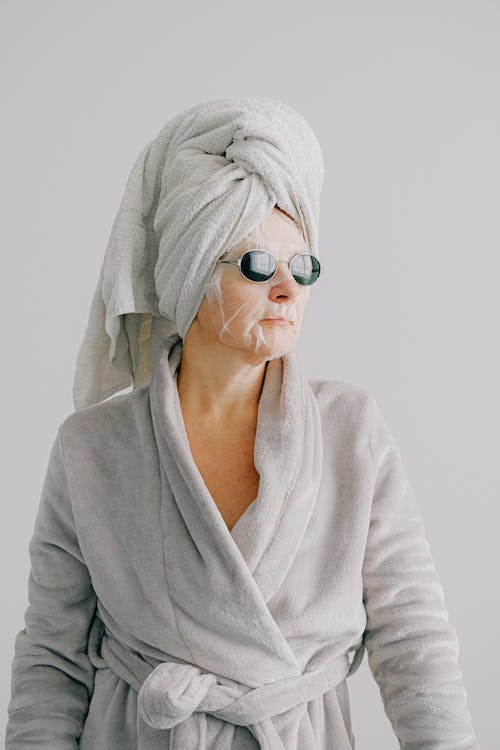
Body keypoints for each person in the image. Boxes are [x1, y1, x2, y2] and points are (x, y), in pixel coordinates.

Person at [5, 97, 481, 750]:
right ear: (189, 277)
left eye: (303, 266)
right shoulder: (91, 448)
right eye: (257, 266)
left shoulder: (351, 429)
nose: (288, 290)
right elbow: (52, 658)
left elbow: (412, 634)